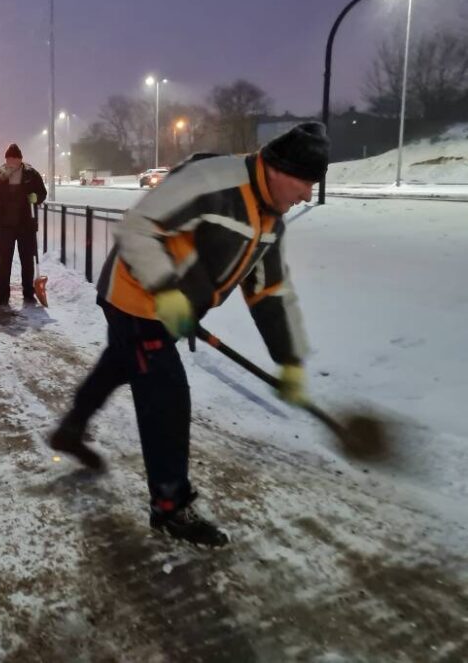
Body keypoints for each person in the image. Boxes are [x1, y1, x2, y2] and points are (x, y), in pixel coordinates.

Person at [48, 122, 330, 547]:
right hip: (136, 297)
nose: (308, 194)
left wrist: (288, 359)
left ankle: (71, 429)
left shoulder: (271, 222)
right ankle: (170, 506)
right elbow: (138, 227)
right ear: (277, 168)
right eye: (305, 181)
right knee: (166, 395)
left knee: (121, 364)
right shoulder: (214, 182)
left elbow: (268, 292)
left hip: (171, 309)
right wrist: (166, 290)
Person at [0, 143, 47, 307]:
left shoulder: (30, 174)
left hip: (25, 225)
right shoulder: (0, 174)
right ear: (6, 160)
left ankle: (28, 293)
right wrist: (0, 178)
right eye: (9, 160)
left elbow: (42, 192)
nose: (12, 163)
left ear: (20, 160)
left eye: (15, 160)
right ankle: (2, 296)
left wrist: (36, 198)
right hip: (5, 227)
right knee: (3, 262)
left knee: (27, 261)